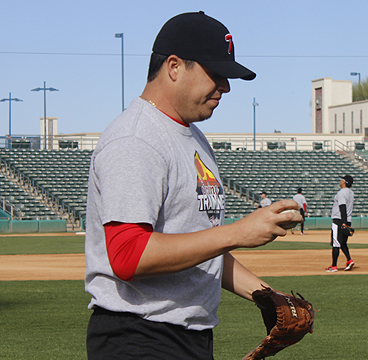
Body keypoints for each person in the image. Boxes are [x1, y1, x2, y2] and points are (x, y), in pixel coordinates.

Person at [84, 12, 302, 360]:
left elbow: (199, 246)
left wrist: (265, 294)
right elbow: (127, 255)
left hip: (188, 338)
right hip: (137, 337)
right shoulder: (135, 138)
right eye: (216, 73)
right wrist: (237, 232)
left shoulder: (193, 137)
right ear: (174, 67)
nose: (226, 86)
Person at [326, 175, 355, 272]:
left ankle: (334, 266)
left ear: (344, 182)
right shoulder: (351, 193)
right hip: (348, 219)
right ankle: (349, 260)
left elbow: (342, 207)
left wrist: (343, 223)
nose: (340, 181)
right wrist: (347, 222)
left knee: (336, 243)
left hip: (339, 220)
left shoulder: (341, 193)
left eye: (341, 179)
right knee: (343, 243)